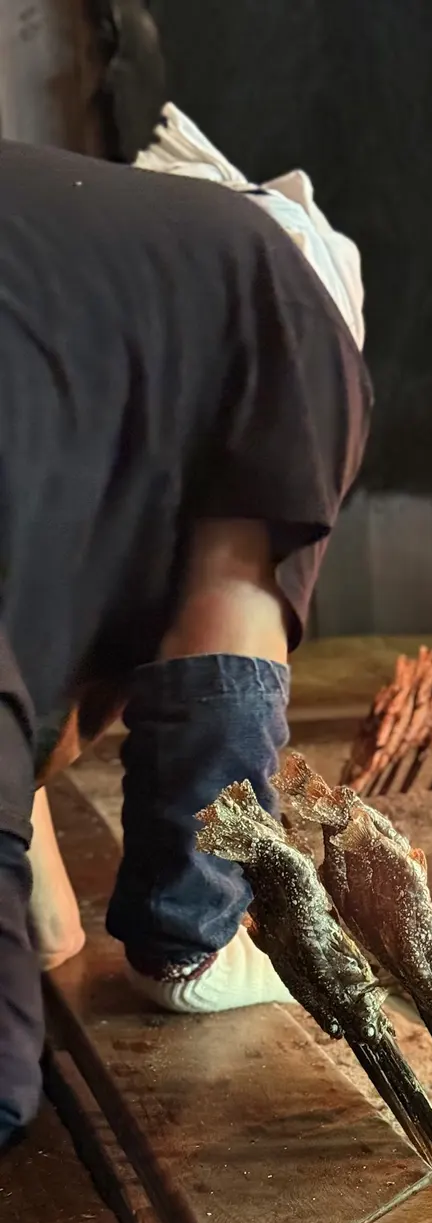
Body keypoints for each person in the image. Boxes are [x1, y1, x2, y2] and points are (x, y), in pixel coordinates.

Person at [0, 139, 372, 1149]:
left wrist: (45, 921)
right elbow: (228, 639)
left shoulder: (78, 279)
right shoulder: (284, 311)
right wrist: (189, 939)